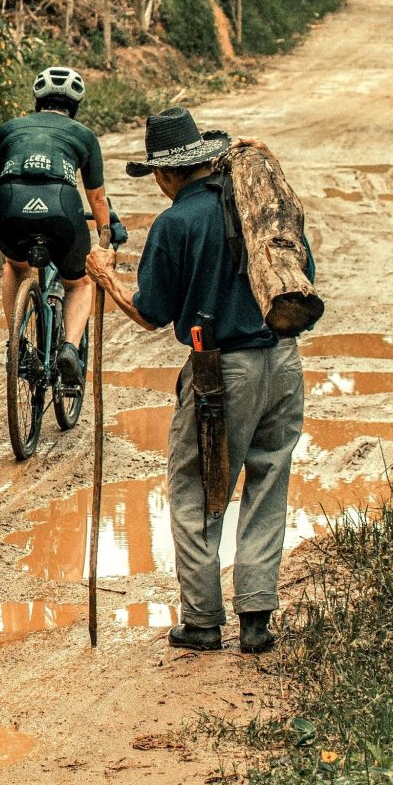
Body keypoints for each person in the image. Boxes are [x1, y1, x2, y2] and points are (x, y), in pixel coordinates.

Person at [92, 106, 311, 654]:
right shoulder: (263, 208)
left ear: (166, 175)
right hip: (284, 362)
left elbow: (150, 312)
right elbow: (299, 276)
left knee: (195, 492)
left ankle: (204, 622)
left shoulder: (175, 223)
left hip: (220, 372)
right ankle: (257, 619)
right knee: (268, 483)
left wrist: (105, 278)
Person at [0, 66, 120, 388]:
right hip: (62, 207)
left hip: (10, 206)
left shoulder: (8, 129)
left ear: (37, 99)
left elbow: (6, 176)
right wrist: (106, 238)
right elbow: (97, 198)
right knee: (79, 283)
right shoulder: (84, 135)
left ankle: (16, 343)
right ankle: (69, 350)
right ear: (76, 104)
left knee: (14, 266)